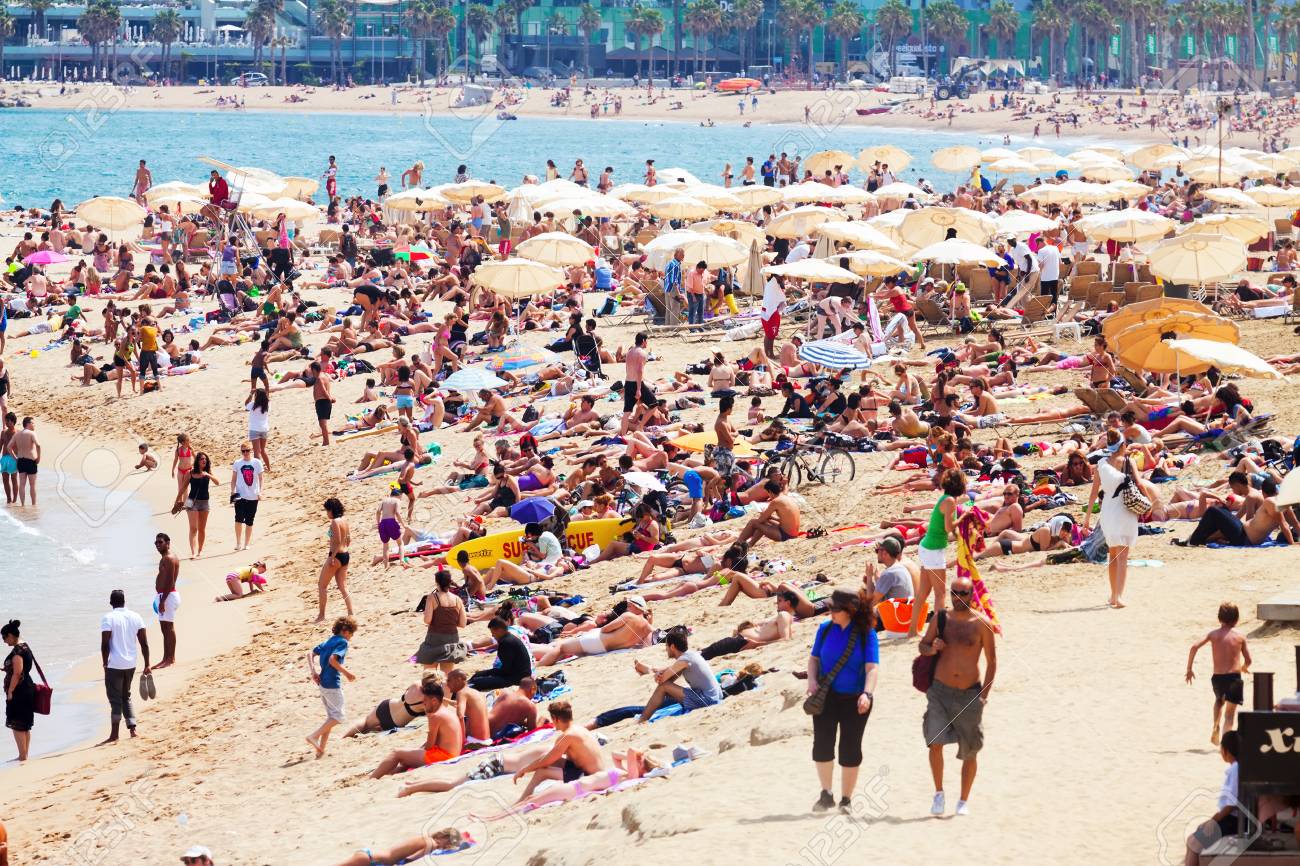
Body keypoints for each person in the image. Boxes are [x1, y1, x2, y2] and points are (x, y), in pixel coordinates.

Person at [918, 576, 996, 817]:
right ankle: (939, 793)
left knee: (970, 749)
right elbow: (923, 646)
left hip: (969, 694)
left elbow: (992, 662)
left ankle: (963, 800)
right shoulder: (941, 618)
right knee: (935, 742)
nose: (958, 597)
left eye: (963, 593)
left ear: (972, 595)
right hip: (940, 691)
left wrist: (983, 696)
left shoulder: (982, 624)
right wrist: (932, 648)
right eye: (954, 592)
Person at [807, 588, 879, 813]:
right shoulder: (825, 628)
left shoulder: (867, 634)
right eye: (830, 607)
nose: (831, 612)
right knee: (822, 745)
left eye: (835, 609)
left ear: (850, 610)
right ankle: (826, 794)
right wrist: (811, 680)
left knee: (850, 748)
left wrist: (867, 694)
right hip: (826, 696)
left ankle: (846, 800)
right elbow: (814, 659)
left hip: (855, 699)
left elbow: (872, 668)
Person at [1084, 442, 1148, 608]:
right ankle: (1118, 597)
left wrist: (1087, 518)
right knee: (1123, 556)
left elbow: (1093, 493)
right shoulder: (1128, 461)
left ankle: (1113, 595)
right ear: (1122, 445)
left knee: (1113, 554)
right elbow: (1140, 484)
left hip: (1108, 511)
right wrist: (1150, 503)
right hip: (1124, 509)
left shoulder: (1101, 464)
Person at [1186, 602, 1252, 746]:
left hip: (1218, 677)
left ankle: (1215, 725)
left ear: (1219, 618)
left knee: (1219, 700)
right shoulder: (1240, 636)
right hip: (1234, 678)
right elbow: (1249, 660)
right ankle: (1225, 743)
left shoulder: (1213, 634)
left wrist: (1189, 669)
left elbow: (1194, 647)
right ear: (1236, 619)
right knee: (1229, 716)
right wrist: (1244, 667)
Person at [369, 679, 463, 776]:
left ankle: (372, 778)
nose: (423, 704)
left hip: (444, 757)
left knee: (396, 753)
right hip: (453, 754)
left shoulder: (435, 716)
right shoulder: (447, 712)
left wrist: (416, 751)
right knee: (408, 756)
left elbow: (429, 746)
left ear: (434, 701)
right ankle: (388, 773)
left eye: (425, 701)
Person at [909, 468, 963, 637]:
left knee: (923, 594)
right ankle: (940, 632)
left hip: (928, 548)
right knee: (940, 594)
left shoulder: (946, 499)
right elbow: (948, 527)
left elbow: (950, 528)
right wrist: (964, 517)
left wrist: (961, 538)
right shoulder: (950, 501)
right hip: (933, 550)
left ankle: (912, 630)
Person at [1181, 731, 1245, 866]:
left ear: (1225, 751)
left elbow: (1231, 805)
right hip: (1231, 819)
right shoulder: (1237, 767)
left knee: (1194, 843)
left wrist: (1213, 820)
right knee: (1192, 839)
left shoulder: (1236, 768)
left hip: (1233, 821)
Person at [634, 631, 723, 721]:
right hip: (713, 696)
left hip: (708, 700)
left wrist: (658, 675)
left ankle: (642, 720)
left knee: (663, 687)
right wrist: (660, 674)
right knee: (666, 688)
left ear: (672, 647)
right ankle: (650, 670)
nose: (666, 649)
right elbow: (670, 678)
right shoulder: (689, 655)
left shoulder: (684, 660)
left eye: (666, 646)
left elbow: (662, 681)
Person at [100, 590, 150, 743]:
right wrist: (147, 664)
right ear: (124, 601)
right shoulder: (136, 616)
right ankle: (132, 729)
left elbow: (105, 644)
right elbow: (144, 643)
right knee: (125, 696)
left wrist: (105, 663)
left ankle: (114, 735)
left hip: (115, 665)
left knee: (115, 699)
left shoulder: (108, 618)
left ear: (111, 603)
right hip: (131, 664)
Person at [306, 615, 357, 758]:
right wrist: (347, 674)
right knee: (339, 717)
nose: (351, 637)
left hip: (322, 683)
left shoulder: (329, 640)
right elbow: (332, 660)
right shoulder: (342, 642)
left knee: (331, 717)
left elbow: (310, 653)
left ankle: (320, 750)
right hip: (332, 684)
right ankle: (313, 736)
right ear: (345, 631)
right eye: (351, 634)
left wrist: (313, 671)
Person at [416, 570, 468, 672]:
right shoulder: (457, 599)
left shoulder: (432, 597)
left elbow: (427, 620)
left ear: (437, 583)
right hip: (452, 639)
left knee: (430, 675)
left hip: (434, 639)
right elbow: (462, 624)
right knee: (447, 675)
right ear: (449, 583)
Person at [2, 620, 36, 762]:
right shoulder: (25, 646)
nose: (4, 641)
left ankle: (22, 756)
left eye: (4, 638)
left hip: (19, 691)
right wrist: (6, 669)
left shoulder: (17, 652)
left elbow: (17, 673)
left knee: (17, 724)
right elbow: (21, 669)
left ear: (10, 635)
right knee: (25, 724)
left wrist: (10, 691)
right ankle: (24, 754)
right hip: (27, 687)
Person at [317, 498, 353, 623]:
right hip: (345, 555)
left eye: (327, 511)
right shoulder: (344, 520)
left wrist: (332, 557)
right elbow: (348, 539)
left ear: (332, 510)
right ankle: (351, 612)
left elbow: (337, 541)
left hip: (336, 556)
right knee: (343, 587)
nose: (327, 513)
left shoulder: (334, 522)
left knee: (322, 586)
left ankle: (321, 615)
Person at [153, 533, 180, 669]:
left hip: (168, 596)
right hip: (165, 596)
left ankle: (171, 658)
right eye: (156, 543)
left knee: (168, 628)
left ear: (168, 543)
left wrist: (163, 601)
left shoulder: (168, 558)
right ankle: (165, 658)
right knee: (164, 628)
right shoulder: (166, 557)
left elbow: (170, 581)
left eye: (160, 542)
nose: (158, 545)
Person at [230, 444, 264, 552]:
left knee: (250, 520)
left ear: (251, 450)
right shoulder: (237, 463)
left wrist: (260, 492)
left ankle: (246, 543)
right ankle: (238, 543)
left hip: (253, 496)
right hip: (240, 495)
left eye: (247, 450)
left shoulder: (257, 462)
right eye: (243, 451)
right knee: (238, 519)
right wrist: (232, 491)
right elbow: (233, 479)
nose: (245, 453)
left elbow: (261, 479)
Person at [10, 416, 39, 507]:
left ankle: (22, 505)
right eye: (33, 423)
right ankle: (33, 505)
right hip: (30, 461)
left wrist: (15, 458)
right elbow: (38, 445)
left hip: (21, 461)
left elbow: (9, 447)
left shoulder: (17, 434)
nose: (34, 425)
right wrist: (38, 458)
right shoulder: (31, 433)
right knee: (32, 485)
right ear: (28, 424)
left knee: (22, 484)